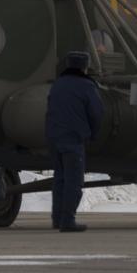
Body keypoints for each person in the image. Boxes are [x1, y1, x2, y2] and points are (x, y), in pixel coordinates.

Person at [45, 50, 104, 232]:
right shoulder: (87, 86)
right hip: (73, 138)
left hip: (54, 137)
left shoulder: (58, 84)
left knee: (60, 179)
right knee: (74, 180)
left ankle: (57, 218)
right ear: (85, 67)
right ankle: (68, 220)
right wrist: (93, 134)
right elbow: (97, 113)